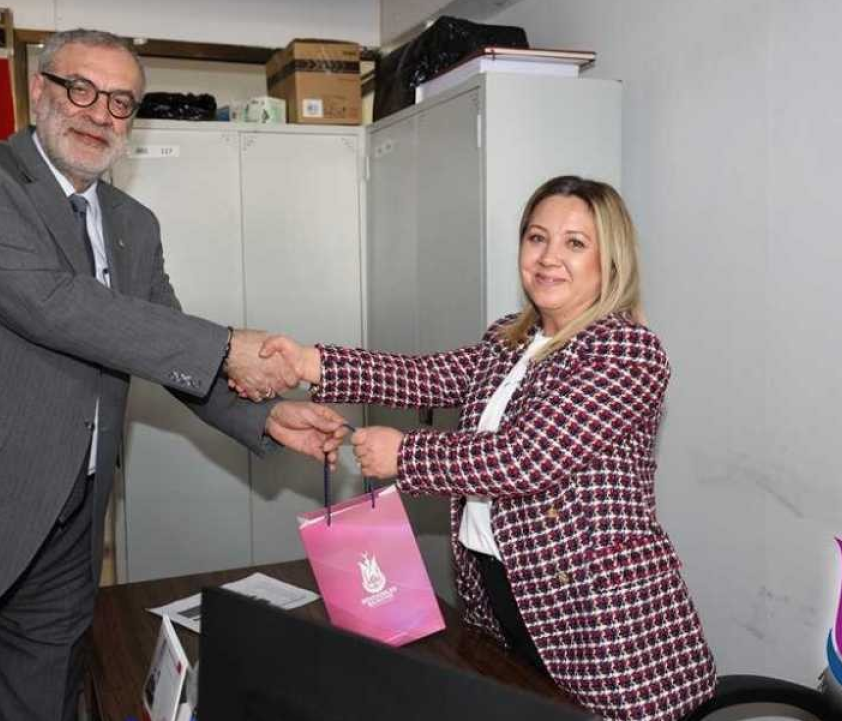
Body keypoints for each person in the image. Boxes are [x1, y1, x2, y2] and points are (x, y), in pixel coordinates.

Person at [0, 28, 346, 721]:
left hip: (67, 532)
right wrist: (230, 344)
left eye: (120, 101)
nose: (98, 113)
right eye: (81, 89)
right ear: (39, 89)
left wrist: (264, 414)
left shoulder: (134, 224)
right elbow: (51, 303)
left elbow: (162, 344)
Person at [261, 176, 717, 721]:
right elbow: (426, 377)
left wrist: (405, 455)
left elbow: (527, 457)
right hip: (502, 596)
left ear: (610, 262)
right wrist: (309, 363)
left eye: (575, 243)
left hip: (597, 618)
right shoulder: (510, 338)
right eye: (536, 237)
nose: (548, 258)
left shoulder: (627, 351)